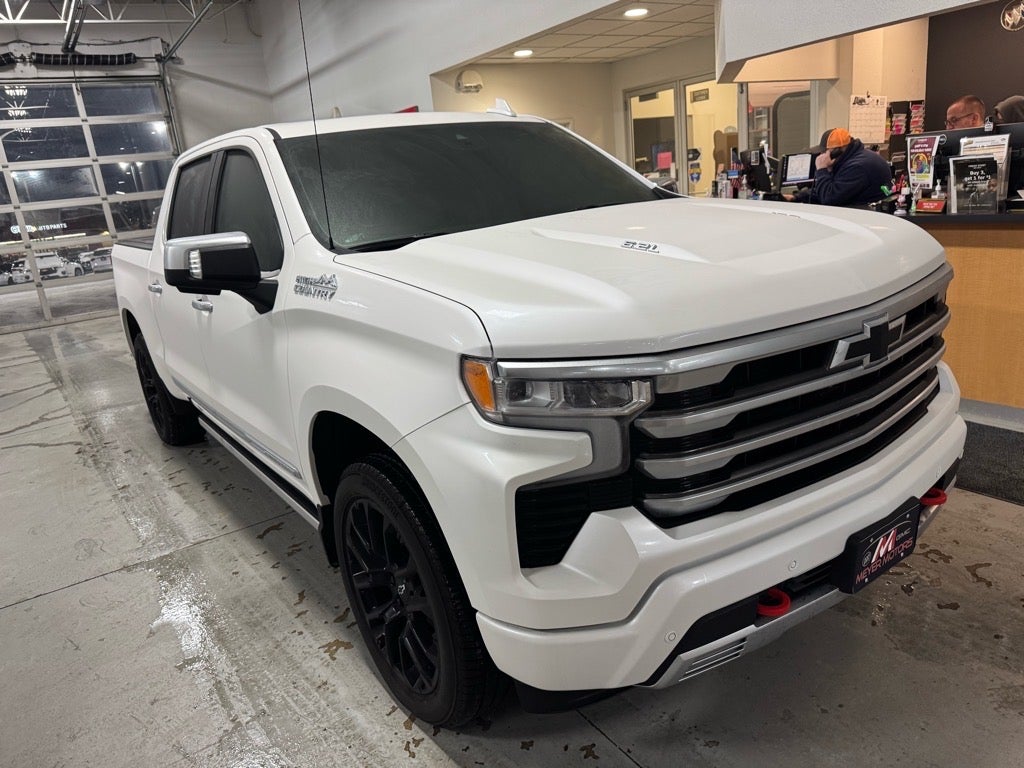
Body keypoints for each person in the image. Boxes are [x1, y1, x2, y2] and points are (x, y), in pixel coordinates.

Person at [786, 128, 892, 207]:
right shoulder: (851, 159)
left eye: (826, 151)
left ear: (838, 150)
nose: (823, 154)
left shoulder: (857, 167)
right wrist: (797, 197)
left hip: (864, 219)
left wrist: (822, 170)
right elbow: (830, 188)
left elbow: (829, 199)